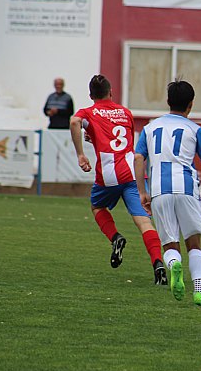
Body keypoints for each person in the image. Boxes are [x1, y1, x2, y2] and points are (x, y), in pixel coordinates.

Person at [69, 75, 167, 285]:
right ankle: (158, 263)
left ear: (91, 96)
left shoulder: (90, 112)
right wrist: (94, 134)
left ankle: (115, 237)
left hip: (109, 175)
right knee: (144, 222)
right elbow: (121, 138)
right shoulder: (125, 112)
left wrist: (80, 154)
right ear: (110, 92)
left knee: (97, 207)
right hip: (132, 173)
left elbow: (75, 121)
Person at [134, 79, 201, 307]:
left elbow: (139, 158)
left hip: (160, 190)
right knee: (194, 244)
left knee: (170, 244)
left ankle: (173, 266)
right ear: (190, 105)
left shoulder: (150, 128)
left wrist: (143, 192)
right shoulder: (195, 129)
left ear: (168, 102)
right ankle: (199, 292)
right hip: (187, 188)